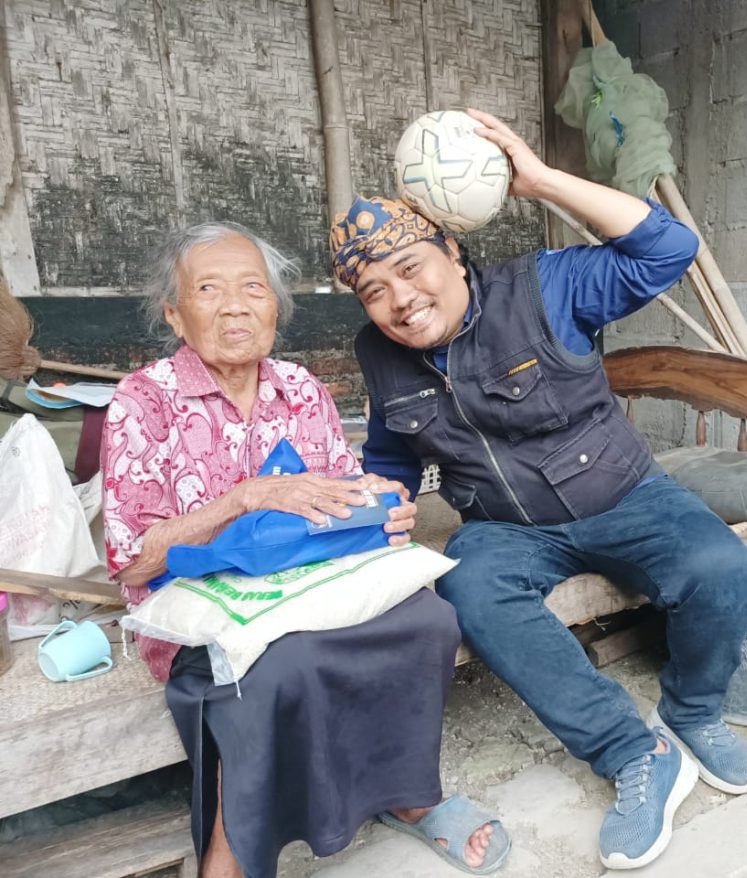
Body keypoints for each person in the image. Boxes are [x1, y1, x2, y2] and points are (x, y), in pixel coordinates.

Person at [330, 108, 747, 870]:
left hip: (626, 494)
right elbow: (391, 446)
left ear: (453, 254)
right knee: (472, 586)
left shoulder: (544, 287)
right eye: (373, 290)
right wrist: (382, 504)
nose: (399, 299)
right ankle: (634, 752)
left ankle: (693, 712)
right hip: (505, 525)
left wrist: (541, 181)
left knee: (720, 567)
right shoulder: (380, 351)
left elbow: (671, 247)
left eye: (410, 269)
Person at [101, 223, 509, 878]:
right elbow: (133, 560)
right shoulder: (143, 401)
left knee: (426, 617)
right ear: (176, 313)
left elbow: (338, 493)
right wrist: (248, 497)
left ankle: (406, 797)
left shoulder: (299, 387)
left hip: (301, 581)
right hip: (194, 604)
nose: (235, 305)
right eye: (210, 289)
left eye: (252, 289)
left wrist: (380, 507)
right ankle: (231, 853)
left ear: (275, 309)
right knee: (278, 663)